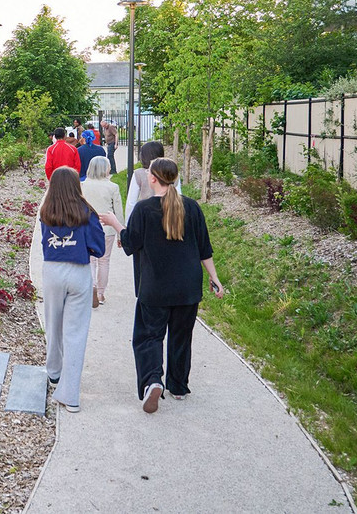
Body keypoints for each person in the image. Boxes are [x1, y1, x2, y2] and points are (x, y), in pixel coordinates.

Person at [99, 158, 224, 414]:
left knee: (148, 337)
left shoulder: (144, 210)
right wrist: (215, 278)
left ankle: (152, 381)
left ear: (152, 178)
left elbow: (131, 244)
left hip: (155, 287)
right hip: (188, 288)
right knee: (181, 337)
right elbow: (204, 248)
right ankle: (178, 386)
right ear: (176, 179)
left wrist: (114, 223)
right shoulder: (192, 207)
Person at [39, 166, 106, 413]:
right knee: (75, 333)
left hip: (52, 271)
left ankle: (54, 372)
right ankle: (71, 396)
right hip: (78, 272)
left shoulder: (46, 211)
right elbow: (98, 249)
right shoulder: (87, 213)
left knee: (53, 323)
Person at [81, 156, 123, 308]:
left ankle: (91, 286)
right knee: (104, 260)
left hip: (87, 228)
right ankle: (100, 293)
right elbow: (118, 211)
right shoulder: (113, 187)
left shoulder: (83, 186)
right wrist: (120, 232)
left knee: (90, 260)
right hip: (107, 228)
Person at [123, 141, 181, 224]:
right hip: (168, 216)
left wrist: (128, 223)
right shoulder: (172, 173)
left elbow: (131, 202)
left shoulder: (139, 174)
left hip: (145, 216)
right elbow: (179, 195)